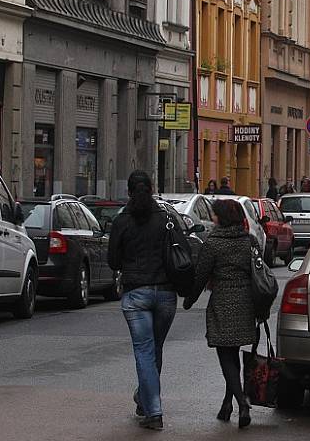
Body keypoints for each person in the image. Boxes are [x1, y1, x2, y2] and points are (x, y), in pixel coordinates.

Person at [109, 171, 184, 431]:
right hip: (165, 294)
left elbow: (113, 261)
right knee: (154, 349)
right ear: (152, 189)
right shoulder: (166, 218)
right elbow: (181, 251)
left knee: (145, 351)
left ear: (129, 192)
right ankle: (143, 399)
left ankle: (153, 412)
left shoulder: (122, 221)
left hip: (136, 294)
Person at [183, 199, 257, 428]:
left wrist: (189, 300)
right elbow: (259, 272)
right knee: (232, 354)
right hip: (246, 302)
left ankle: (242, 402)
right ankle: (228, 404)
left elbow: (201, 275)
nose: (212, 218)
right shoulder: (249, 241)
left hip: (223, 302)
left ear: (221, 218)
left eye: (214, 215)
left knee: (225, 356)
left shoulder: (214, 243)